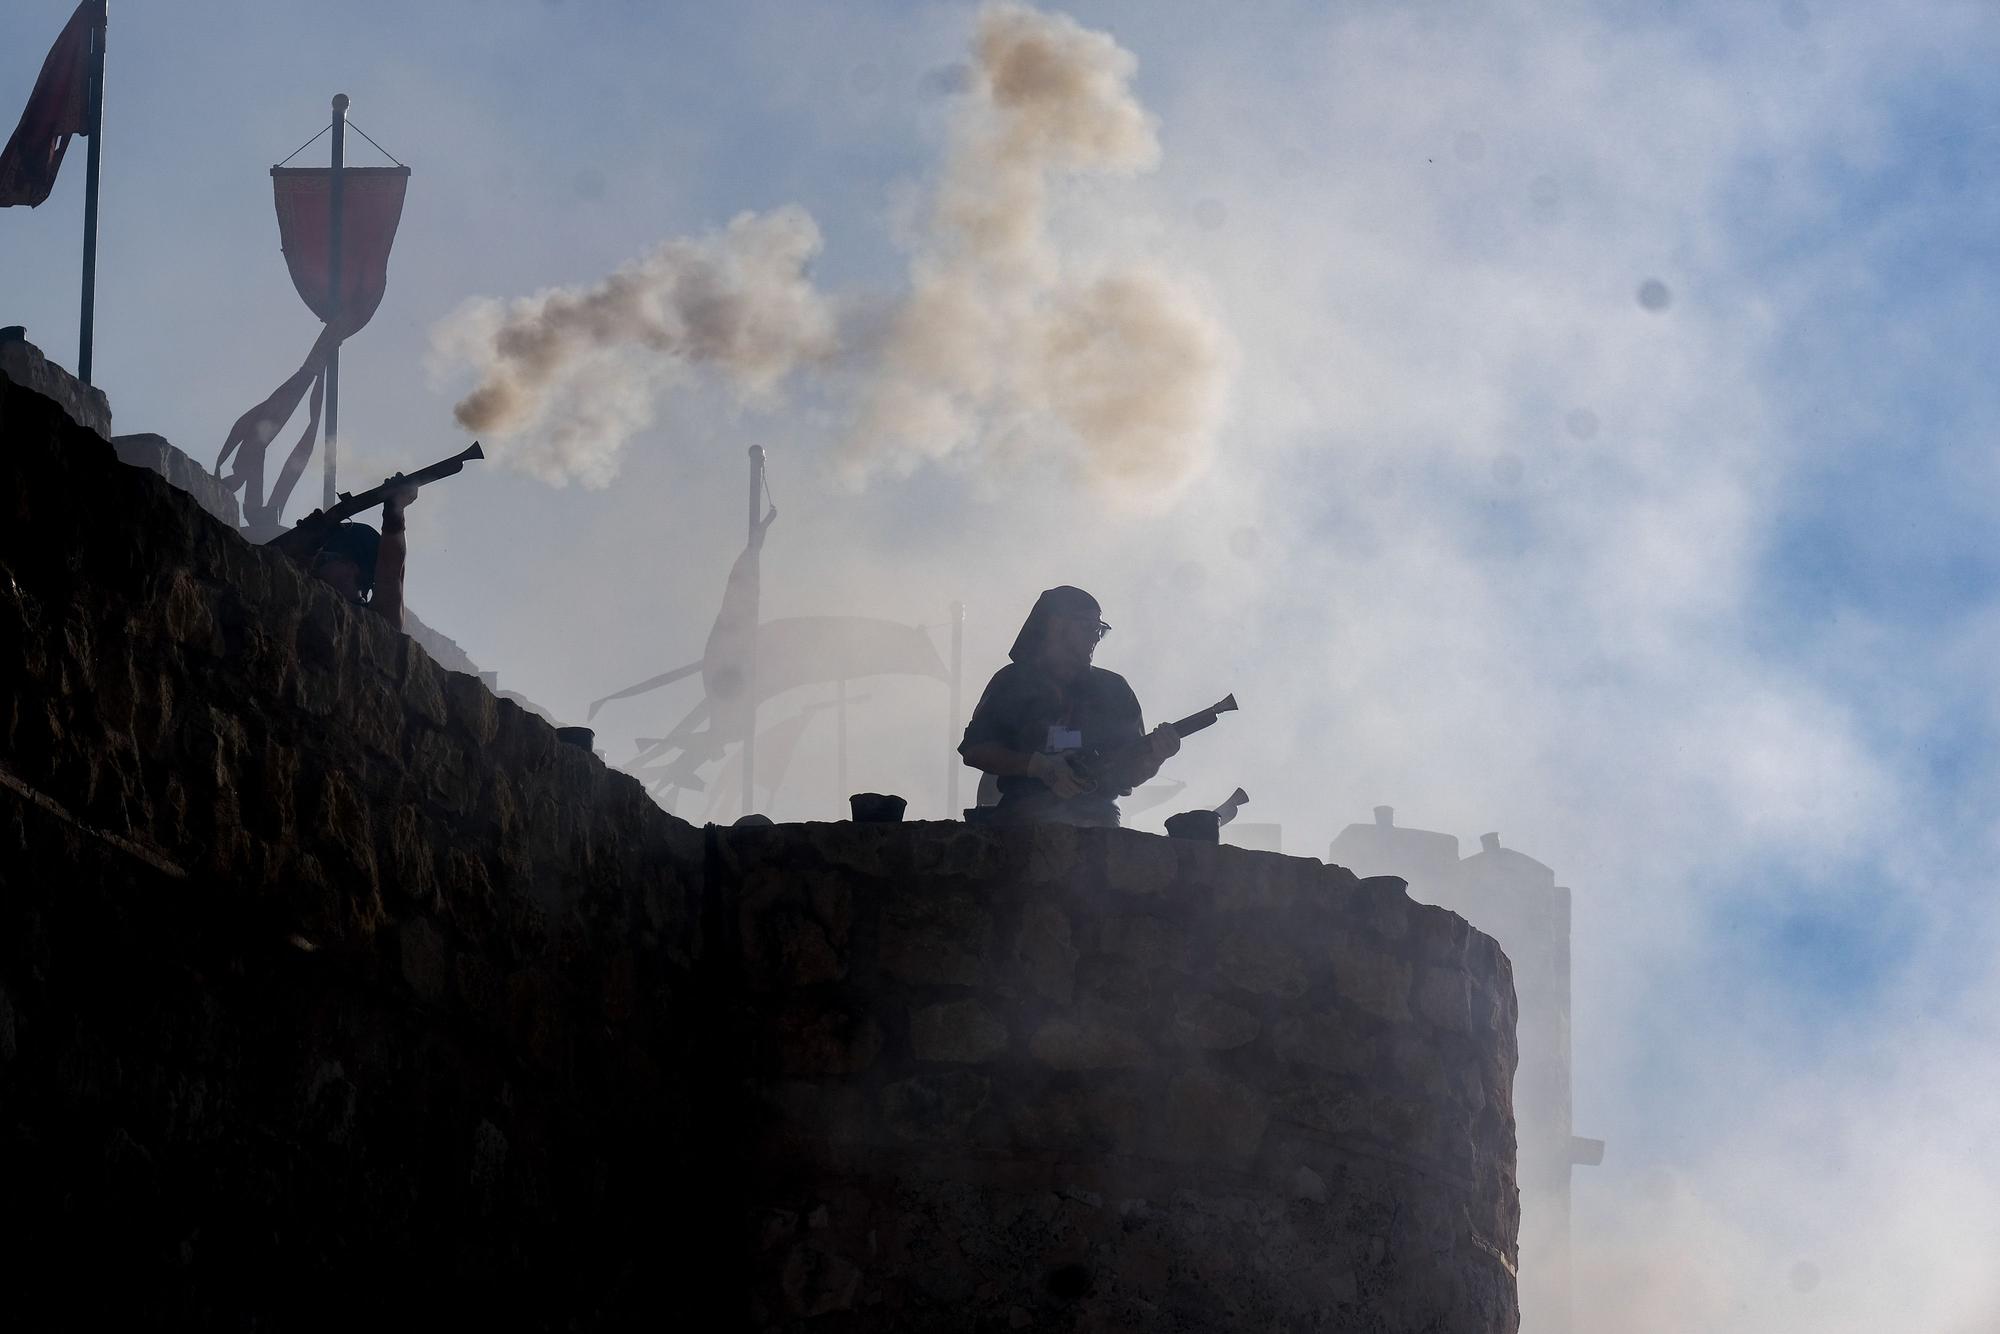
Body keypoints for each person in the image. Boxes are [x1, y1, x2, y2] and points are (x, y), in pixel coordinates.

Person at [958, 586, 1180, 827]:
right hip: (1023, 819)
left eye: (1100, 630)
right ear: (1055, 625)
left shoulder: (1114, 689)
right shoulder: (1013, 681)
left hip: (1099, 822)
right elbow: (975, 750)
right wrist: (1038, 767)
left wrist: (1155, 757)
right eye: (1087, 627)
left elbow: (1127, 773)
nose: (1095, 637)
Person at [304, 484, 415, 630]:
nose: (315, 565)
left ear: (351, 567)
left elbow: (390, 572)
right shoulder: (305, 596)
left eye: (323, 559)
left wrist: (394, 510)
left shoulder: (374, 624)